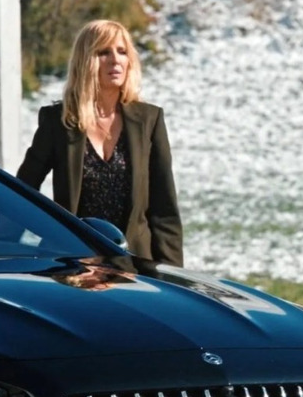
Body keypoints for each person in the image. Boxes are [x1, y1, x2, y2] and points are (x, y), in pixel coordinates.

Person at [16, 19, 183, 266]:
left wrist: (173, 278)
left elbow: (164, 209)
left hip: (136, 268)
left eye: (122, 51)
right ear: (86, 61)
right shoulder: (58, 122)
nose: (115, 60)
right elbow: (22, 193)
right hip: (74, 267)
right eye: (104, 52)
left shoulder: (149, 120)